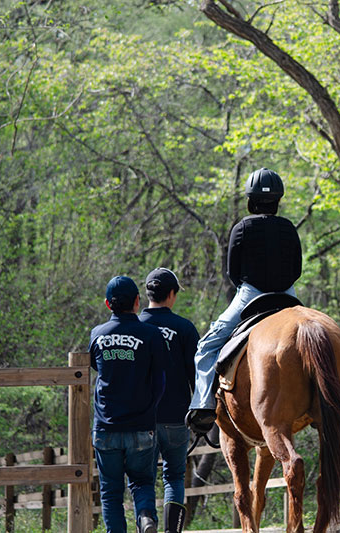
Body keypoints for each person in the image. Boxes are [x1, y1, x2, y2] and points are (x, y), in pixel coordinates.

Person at [185, 167, 302, 435]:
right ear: (278, 200)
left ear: (250, 199)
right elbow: (296, 269)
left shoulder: (242, 227)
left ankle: (202, 406)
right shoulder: (288, 228)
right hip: (287, 295)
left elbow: (233, 272)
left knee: (207, 345)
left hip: (251, 295)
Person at [88, 275, 168, 533]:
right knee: (142, 482)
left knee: (111, 492)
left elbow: (95, 368)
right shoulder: (151, 334)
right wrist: (150, 410)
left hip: (105, 426)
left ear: (107, 304)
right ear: (137, 301)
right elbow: (160, 381)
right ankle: (145, 518)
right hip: (141, 426)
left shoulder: (97, 334)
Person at [138, 267, 199, 533]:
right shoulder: (185, 328)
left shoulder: (135, 327)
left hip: (142, 419)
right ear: (171, 294)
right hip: (177, 417)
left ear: (146, 294)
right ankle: (172, 530)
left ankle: (147, 521)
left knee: (144, 478)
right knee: (174, 476)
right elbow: (198, 375)